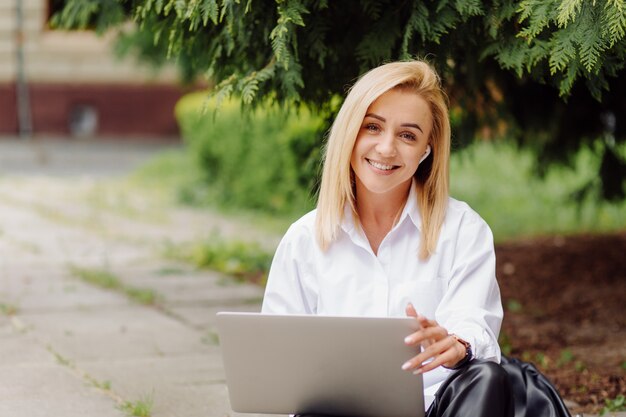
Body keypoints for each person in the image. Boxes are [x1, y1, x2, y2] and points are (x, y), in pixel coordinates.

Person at [261, 60, 570, 417]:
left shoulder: (463, 230)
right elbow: (280, 360)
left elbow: (473, 319)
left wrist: (457, 345)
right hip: (342, 409)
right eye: (372, 127)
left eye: (408, 135)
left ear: (427, 149)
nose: (386, 148)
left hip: (440, 408)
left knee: (486, 376)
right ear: (350, 132)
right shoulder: (304, 239)